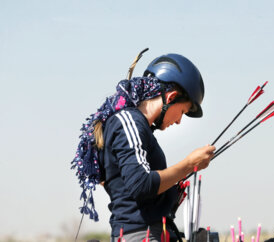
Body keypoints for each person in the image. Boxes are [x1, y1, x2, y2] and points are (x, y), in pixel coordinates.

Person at [71, 53, 215, 242]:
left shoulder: (135, 126)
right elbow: (141, 185)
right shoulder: (128, 122)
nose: (179, 121)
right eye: (182, 112)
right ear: (171, 97)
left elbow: (124, 186)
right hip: (141, 235)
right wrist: (189, 164)